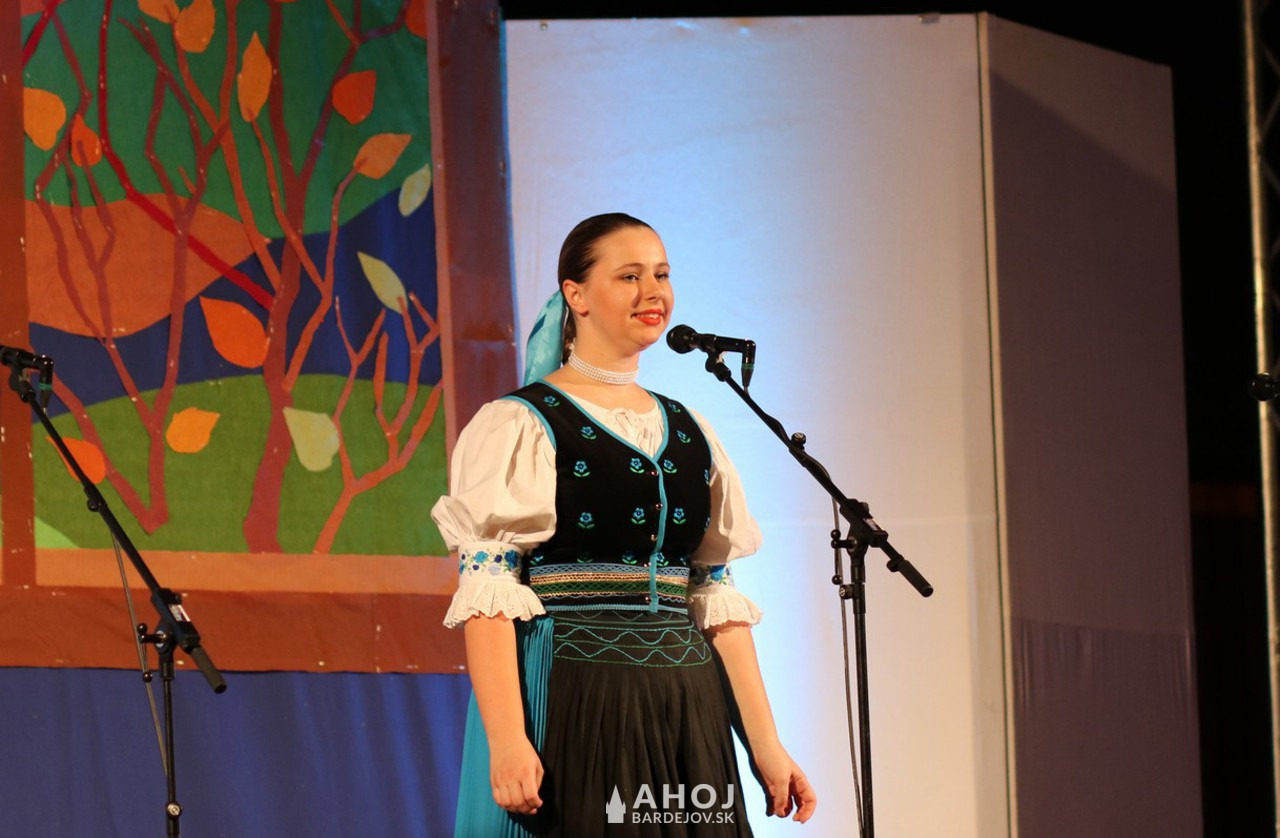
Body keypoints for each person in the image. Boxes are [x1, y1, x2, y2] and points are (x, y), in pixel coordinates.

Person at [432, 213, 816, 836]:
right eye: (630, 276)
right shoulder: (520, 423)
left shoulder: (691, 428)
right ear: (576, 295)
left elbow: (714, 598)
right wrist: (507, 741)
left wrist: (766, 746)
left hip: (686, 704)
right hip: (577, 694)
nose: (653, 292)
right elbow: (488, 597)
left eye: (661, 275)